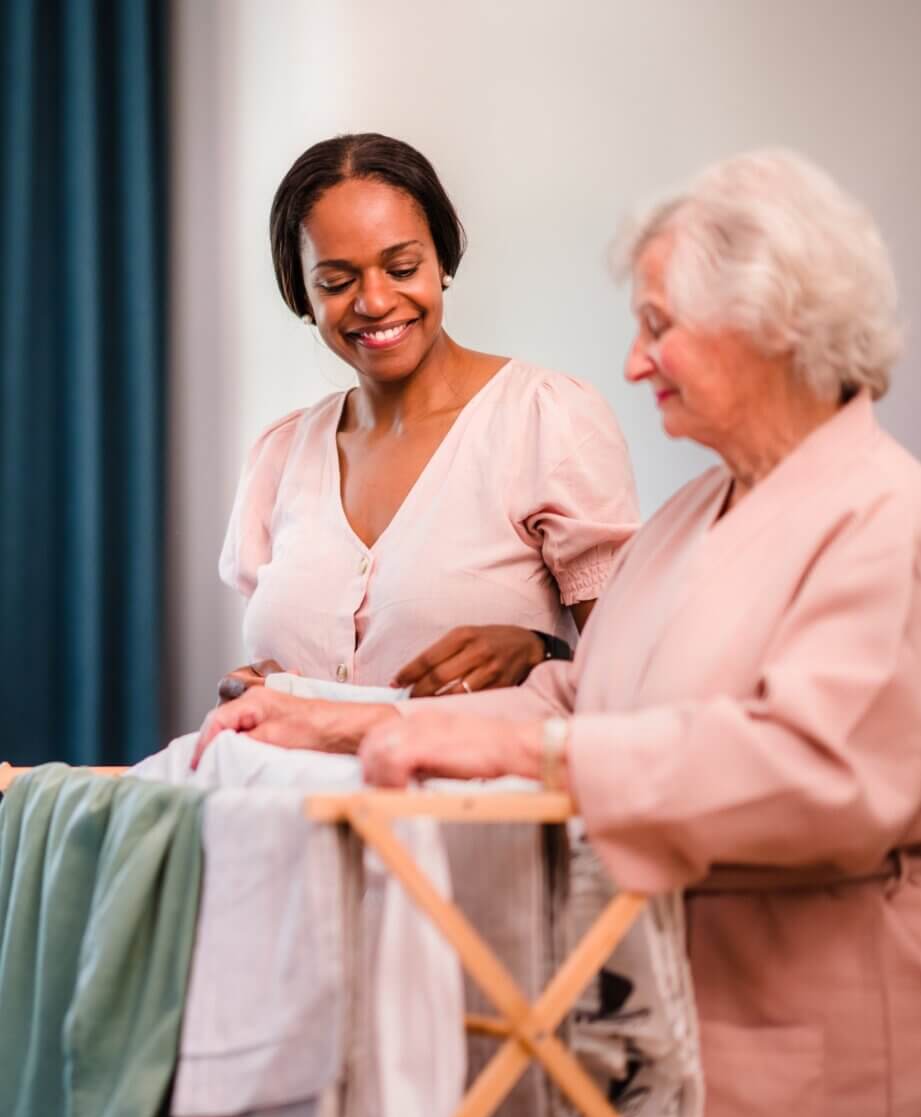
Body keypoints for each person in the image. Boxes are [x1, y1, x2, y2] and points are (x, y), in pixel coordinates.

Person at [196, 150, 921, 1117]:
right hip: (678, 1016)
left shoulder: (889, 518)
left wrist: (524, 753)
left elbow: (817, 776)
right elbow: (585, 697)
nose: (633, 361)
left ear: (775, 329)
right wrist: (327, 720)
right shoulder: (699, 511)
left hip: (847, 1028)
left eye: (659, 327)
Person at [217, 133, 639, 714]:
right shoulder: (280, 455)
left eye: (402, 267)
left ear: (442, 260)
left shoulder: (545, 421)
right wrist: (259, 688)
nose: (374, 301)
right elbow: (273, 671)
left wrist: (543, 652)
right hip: (289, 798)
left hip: (475, 803)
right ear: (302, 294)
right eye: (336, 283)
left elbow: (637, 677)